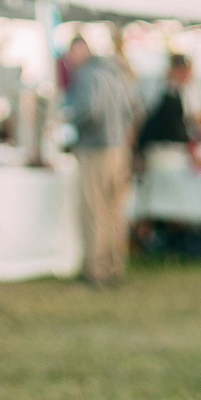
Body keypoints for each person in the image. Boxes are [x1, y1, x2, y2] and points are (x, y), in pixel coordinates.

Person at [61, 31, 139, 287]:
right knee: (114, 210)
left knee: (94, 209)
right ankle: (114, 265)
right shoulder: (117, 72)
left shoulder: (87, 74)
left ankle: (95, 269)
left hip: (96, 149)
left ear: (79, 51)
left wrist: (69, 120)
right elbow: (134, 109)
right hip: (120, 150)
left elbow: (88, 110)